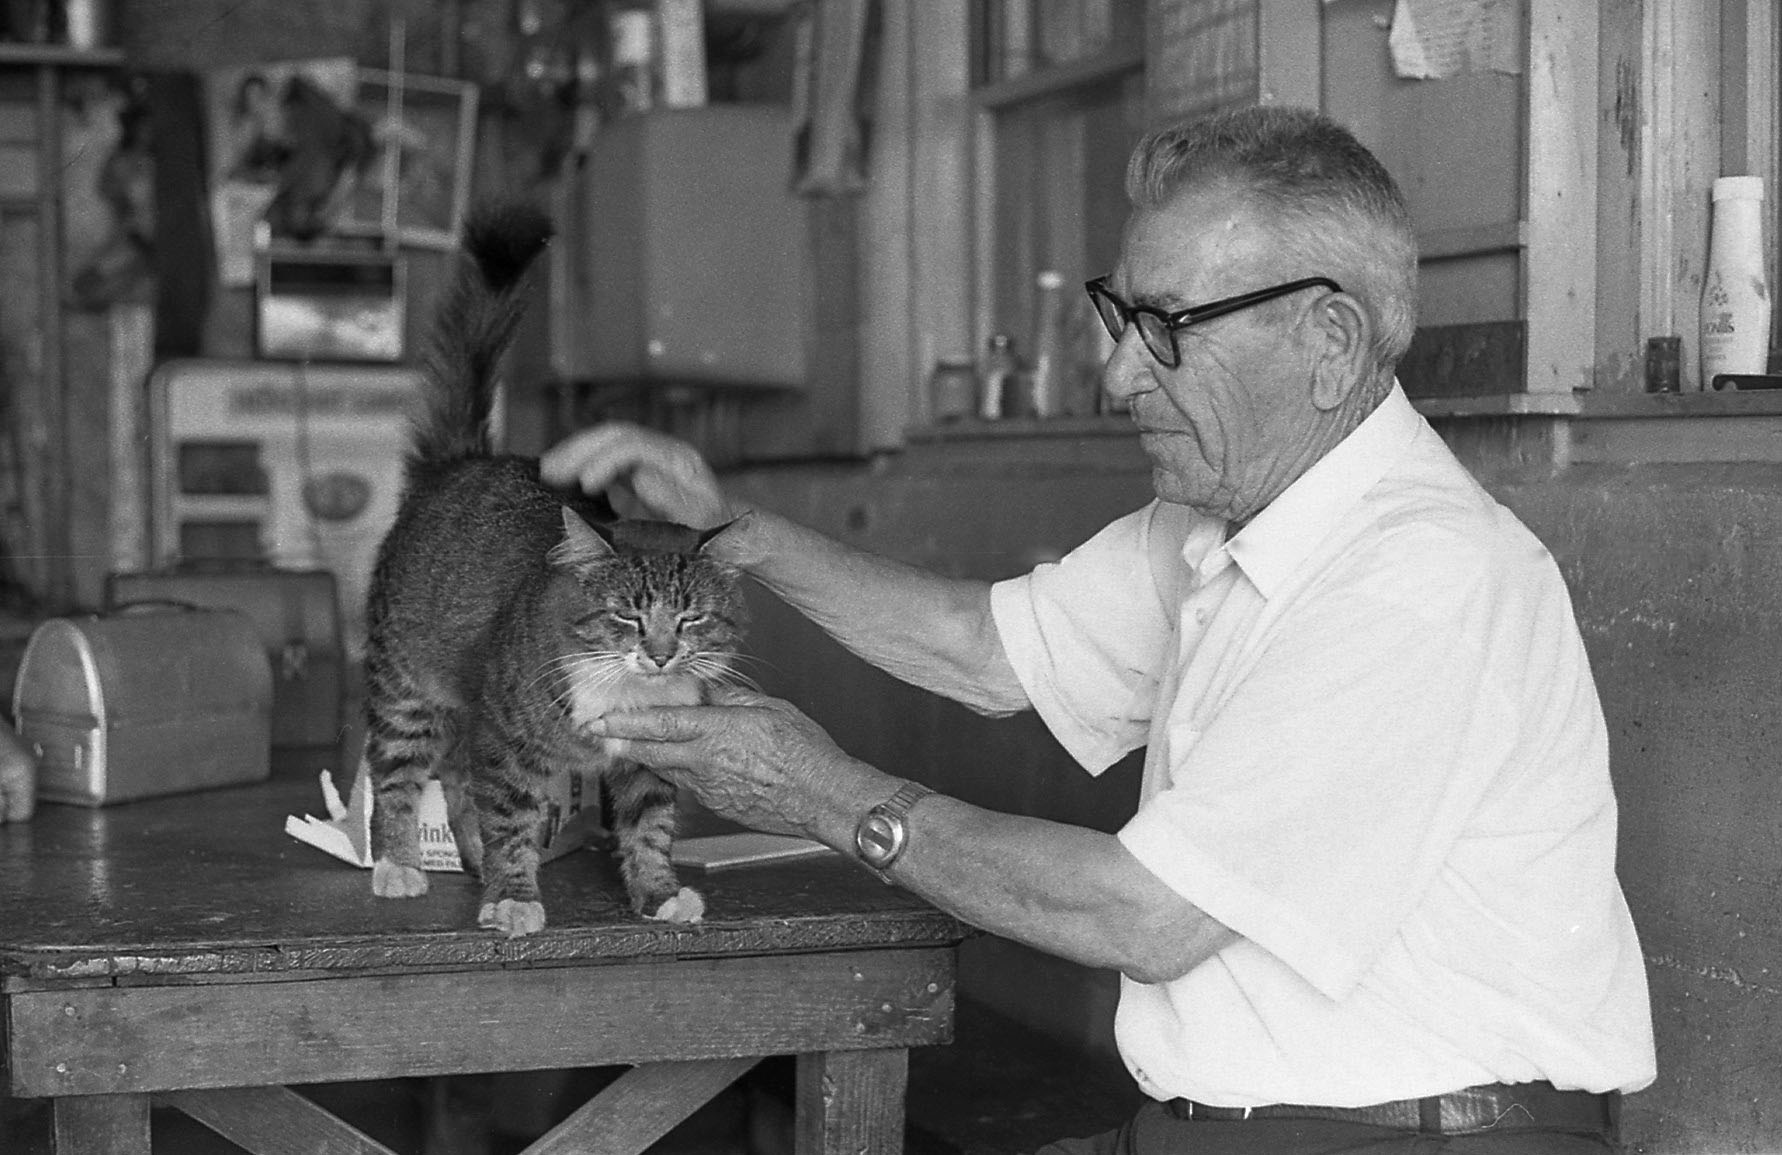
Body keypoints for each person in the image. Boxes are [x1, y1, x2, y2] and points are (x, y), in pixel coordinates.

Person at [540, 105, 1656, 1154]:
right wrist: (730, 536)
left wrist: (819, 792)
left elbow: (1148, 917)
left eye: (1166, 327)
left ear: (1329, 340)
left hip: (1413, 1134)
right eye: (1121, 315)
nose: (1119, 371)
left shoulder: (1416, 578)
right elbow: (983, 651)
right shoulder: (1225, 516)